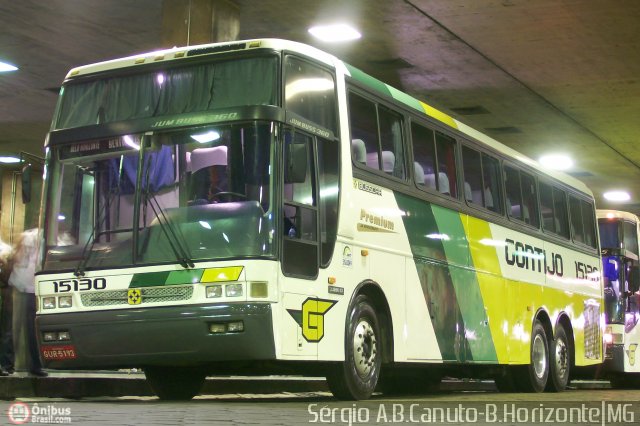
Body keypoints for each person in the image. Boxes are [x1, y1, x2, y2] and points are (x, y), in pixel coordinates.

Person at [8, 229, 47, 377]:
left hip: (29, 286)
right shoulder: (31, 237)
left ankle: (30, 365)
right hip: (23, 286)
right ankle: (13, 364)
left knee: (27, 329)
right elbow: (21, 260)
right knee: (17, 328)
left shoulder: (39, 237)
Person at [0, 237, 13, 376]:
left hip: (5, 293)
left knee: (6, 331)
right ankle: (7, 364)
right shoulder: (6, 250)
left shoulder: (5, 249)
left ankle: (6, 364)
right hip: (5, 292)